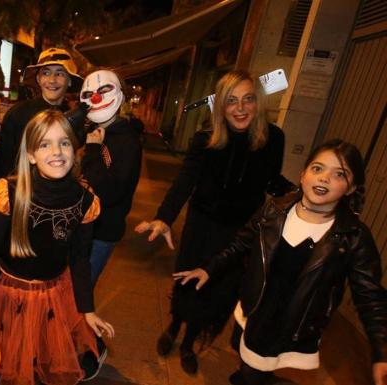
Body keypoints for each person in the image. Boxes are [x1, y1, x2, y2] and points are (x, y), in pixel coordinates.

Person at [175, 139, 387, 385]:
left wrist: (381, 352)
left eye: (339, 174)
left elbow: (371, 297)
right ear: (303, 173)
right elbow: (241, 243)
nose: (324, 178)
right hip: (254, 309)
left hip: (291, 326)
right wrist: (209, 269)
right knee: (242, 350)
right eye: (317, 168)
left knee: (255, 372)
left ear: (351, 188)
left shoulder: (354, 237)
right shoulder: (274, 210)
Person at [135, 70, 285, 374]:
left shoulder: (273, 139)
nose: (240, 108)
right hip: (201, 227)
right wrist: (164, 217)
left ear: (258, 103)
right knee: (188, 283)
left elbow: (272, 181)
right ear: (221, 107)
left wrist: (304, 196)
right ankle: (174, 326)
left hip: (239, 235)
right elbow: (185, 180)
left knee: (216, 292)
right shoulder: (206, 139)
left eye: (247, 100)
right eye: (232, 101)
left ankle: (190, 343)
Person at [0, 110, 115, 385]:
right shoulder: (10, 192)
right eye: (45, 144)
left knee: (41, 356)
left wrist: (87, 309)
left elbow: (81, 259)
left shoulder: (85, 201)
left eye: (64, 143)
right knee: (8, 356)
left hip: (54, 294)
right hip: (8, 293)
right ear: (31, 155)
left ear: (75, 149)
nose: (56, 151)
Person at [0, 47, 83, 193]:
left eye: (59, 73)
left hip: (55, 199)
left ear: (69, 81)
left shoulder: (74, 118)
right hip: (19, 196)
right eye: (46, 73)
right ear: (38, 79)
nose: (52, 80)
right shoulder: (18, 113)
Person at [80, 69, 143, 285]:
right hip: (79, 226)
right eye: (89, 94)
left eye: (104, 90)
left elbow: (111, 192)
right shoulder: (89, 130)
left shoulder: (128, 142)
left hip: (102, 231)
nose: (96, 97)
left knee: (80, 292)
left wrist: (93, 151)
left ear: (121, 96)